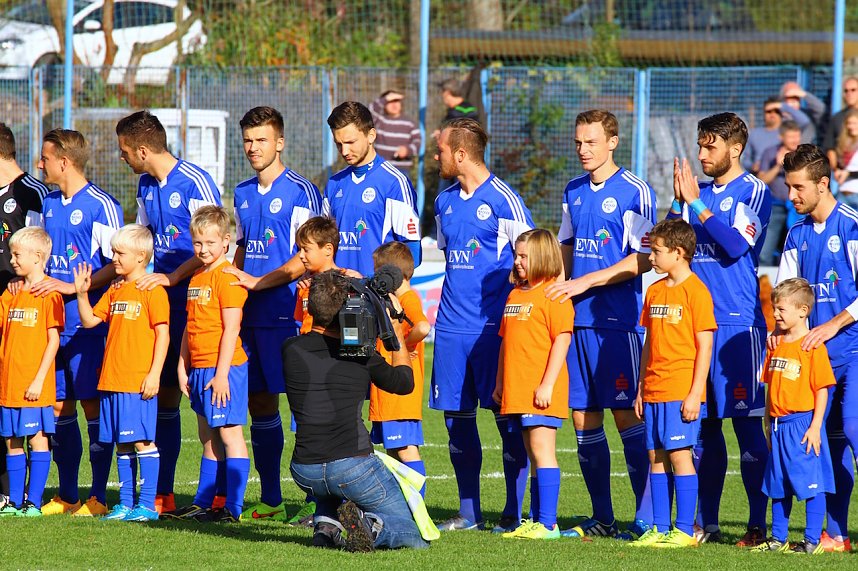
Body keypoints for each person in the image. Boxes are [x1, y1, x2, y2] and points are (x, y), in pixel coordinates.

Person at [545, 109, 656, 540]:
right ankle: (604, 518)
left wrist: (586, 281)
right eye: (578, 142)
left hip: (618, 323)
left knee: (627, 415)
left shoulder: (634, 191)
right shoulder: (573, 190)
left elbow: (646, 257)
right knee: (582, 417)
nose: (582, 149)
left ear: (612, 142)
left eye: (590, 141)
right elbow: (566, 249)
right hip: (578, 323)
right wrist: (556, 289)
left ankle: (647, 518)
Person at [669, 112, 772, 546]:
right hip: (695, 326)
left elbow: (734, 246)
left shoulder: (755, 190)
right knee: (704, 429)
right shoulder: (699, 194)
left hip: (738, 326)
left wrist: (695, 204)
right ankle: (706, 524)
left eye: (710, 147)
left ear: (734, 149)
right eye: (699, 146)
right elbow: (670, 243)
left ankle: (756, 524)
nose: (702, 154)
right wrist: (678, 202)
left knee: (748, 427)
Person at [116, 110, 222, 513]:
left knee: (204, 400)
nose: (122, 158)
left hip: (196, 302)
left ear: (143, 149)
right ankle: (163, 493)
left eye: (125, 151)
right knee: (163, 396)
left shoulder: (195, 182)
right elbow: (144, 242)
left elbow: (216, 244)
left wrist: (173, 276)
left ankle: (218, 495)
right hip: (158, 301)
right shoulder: (146, 184)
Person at [431, 117, 534, 532]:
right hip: (451, 331)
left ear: (460, 154)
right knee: (456, 424)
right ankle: (469, 512)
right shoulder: (443, 202)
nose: (435, 156)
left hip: (494, 331)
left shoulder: (505, 200)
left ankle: (512, 512)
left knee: (507, 421)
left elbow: (536, 261)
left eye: (440, 150)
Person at [283, 270, 428, 551]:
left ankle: (326, 525)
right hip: (352, 467)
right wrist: (395, 329)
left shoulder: (290, 349)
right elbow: (404, 383)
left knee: (332, 484)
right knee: (413, 533)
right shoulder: (362, 356)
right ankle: (370, 526)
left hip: (305, 470)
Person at [231, 106, 322, 523]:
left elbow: (307, 258)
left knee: (305, 406)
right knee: (260, 404)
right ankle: (271, 499)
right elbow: (241, 250)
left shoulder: (302, 191)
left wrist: (257, 283)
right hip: (250, 317)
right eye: (248, 140)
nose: (253, 148)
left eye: (261, 140)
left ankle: (317, 501)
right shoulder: (242, 192)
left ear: (280, 142)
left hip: (290, 313)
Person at [35, 129, 122, 518]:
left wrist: (72, 287)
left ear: (64, 162)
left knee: (91, 405)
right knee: (57, 405)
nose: (41, 164)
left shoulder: (101, 205)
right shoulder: (48, 203)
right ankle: (68, 494)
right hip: (49, 322)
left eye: (46, 158)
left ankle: (99, 497)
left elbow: (115, 266)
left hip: (87, 324)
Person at [776, 143, 858, 552]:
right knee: (830, 442)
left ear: (823, 185)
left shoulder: (852, 226)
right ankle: (838, 534)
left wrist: (833, 324)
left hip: (854, 351)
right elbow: (785, 297)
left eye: (797, 188)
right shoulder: (796, 234)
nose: (791, 196)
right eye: (788, 187)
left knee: (855, 427)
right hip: (816, 362)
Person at [72, 224, 169, 522]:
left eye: (119, 252)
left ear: (141, 256)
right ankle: (126, 505)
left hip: (137, 379)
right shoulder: (115, 288)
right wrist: (81, 293)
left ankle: (147, 506)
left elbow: (163, 335)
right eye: (113, 251)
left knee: (142, 441)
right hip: (112, 379)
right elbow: (89, 321)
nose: (113, 257)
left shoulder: (152, 290)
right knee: (123, 442)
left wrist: (154, 374)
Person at [631, 219, 716, 549]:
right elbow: (649, 342)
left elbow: (704, 345)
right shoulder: (653, 291)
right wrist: (640, 387)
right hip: (653, 389)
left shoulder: (697, 291)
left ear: (679, 253)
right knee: (655, 456)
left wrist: (696, 392)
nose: (650, 258)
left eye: (656, 251)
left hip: (681, 390)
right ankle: (659, 527)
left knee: (680, 456)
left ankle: (683, 531)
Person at [168, 206, 249, 523]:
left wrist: (222, 375)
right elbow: (191, 325)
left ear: (226, 242)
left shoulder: (227, 278)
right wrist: (181, 364)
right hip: (199, 368)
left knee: (230, 436)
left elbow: (232, 328)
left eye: (210, 243)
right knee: (208, 437)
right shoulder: (197, 277)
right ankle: (203, 503)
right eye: (198, 243)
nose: (203, 249)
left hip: (224, 370)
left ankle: (233, 508)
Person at [493, 229, 573, 541]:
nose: (517, 261)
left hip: (541, 390)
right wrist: (500, 382)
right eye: (517, 254)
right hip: (517, 389)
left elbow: (562, 341)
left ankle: (548, 524)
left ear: (541, 257)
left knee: (542, 451)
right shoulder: (515, 295)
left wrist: (548, 385)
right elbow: (506, 342)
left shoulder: (554, 294)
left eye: (524, 256)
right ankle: (537, 520)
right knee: (531, 452)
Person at [753, 278, 835, 555]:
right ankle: (778, 539)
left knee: (811, 484)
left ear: (802, 311)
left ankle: (812, 541)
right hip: (777, 425)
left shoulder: (812, 347)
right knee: (777, 484)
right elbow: (770, 386)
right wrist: (767, 419)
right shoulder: (775, 345)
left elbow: (821, 389)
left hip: (802, 424)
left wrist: (815, 426)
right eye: (774, 309)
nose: (775, 314)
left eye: (780, 310)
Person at [0, 122, 49, 504]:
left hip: (25, 310)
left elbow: (39, 249)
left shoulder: (33, 193)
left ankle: (27, 496)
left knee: (35, 422)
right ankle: (8, 493)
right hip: (5, 310)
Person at [0, 227, 63, 516]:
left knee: (38, 439)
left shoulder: (49, 294)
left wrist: (39, 379)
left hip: (34, 385)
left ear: (38, 257)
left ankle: (33, 503)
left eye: (17, 254)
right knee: (12, 442)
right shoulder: (9, 294)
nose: (12, 260)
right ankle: (14, 501)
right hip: (9, 384)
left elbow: (53, 341)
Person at [323, 101, 421, 275]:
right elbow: (323, 244)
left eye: (350, 142)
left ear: (371, 136)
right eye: (339, 144)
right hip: (336, 294)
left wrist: (374, 285)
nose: (344, 151)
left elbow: (412, 250)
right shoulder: (334, 184)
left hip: (375, 298)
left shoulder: (394, 182)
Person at [369, 241, 431, 496]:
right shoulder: (393, 300)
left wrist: (405, 344)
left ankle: (419, 507)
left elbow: (423, 327)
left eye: (377, 272)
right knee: (394, 451)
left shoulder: (408, 298)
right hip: (388, 391)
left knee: (405, 449)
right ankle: (406, 506)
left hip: (400, 393)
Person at [757, 120, 803, 266]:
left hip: (798, 207)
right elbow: (762, 179)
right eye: (791, 137)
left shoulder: (804, 154)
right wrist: (777, 165)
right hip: (775, 206)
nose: (795, 141)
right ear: (781, 137)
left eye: (797, 137)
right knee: (766, 250)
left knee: (798, 247)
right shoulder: (770, 153)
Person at [294, 217, 341, 334]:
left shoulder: (345, 283)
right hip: (306, 348)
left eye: (306, 249)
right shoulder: (304, 284)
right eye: (300, 250)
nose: (301, 255)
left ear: (328, 249)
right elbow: (303, 322)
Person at [369, 90, 421, 175]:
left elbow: (418, 143)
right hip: (381, 167)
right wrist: (385, 98)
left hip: (402, 169)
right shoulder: (379, 120)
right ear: (384, 104)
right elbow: (370, 110)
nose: (394, 104)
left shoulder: (410, 123)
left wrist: (407, 150)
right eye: (390, 101)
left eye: (396, 101)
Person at [824, 76, 858, 169]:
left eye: (853, 90)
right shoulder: (837, 118)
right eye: (846, 91)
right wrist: (836, 170)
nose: (849, 93)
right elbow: (830, 147)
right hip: (845, 173)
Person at [743, 98, 784, 174]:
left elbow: (804, 121)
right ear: (764, 113)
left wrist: (784, 106)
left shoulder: (788, 133)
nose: (772, 114)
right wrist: (752, 166)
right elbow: (746, 160)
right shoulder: (755, 134)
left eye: (776, 111)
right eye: (769, 111)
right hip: (760, 178)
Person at [833, 108, 858, 207]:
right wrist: (838, 171)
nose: (851, 126)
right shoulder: (844, 144)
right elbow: (841, 167)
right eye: (849, 123)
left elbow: (849, 171)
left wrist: (848, 174)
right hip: (843, 192)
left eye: (855, 123)